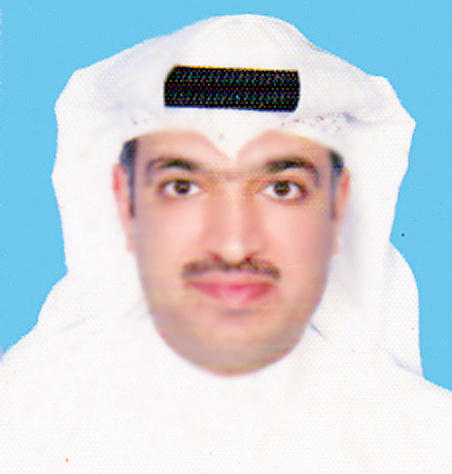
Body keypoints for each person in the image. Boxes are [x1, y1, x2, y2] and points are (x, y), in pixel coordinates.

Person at [0, 14, 450, 472]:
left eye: (281, 189)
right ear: (123, 200)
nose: (234, 245)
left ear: (339, 208)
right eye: (183, 187)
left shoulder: (428, 444)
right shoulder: (17, 427)